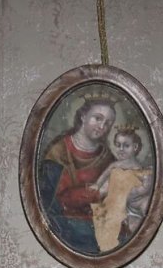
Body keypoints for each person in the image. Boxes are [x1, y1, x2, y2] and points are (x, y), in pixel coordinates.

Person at [40, 98, 116, 254]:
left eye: (108, 123)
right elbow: (50, 204)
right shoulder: (58, 152)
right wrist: (96, 193)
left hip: (102, 225)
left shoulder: (107, 157)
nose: (102, 126)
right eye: (98, 118)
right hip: (66, 227)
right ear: (83, 116)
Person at [91, 126, 153, 252]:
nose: (121, 149)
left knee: (145, 213)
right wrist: (97, 185)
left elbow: (146, 187)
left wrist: (135, 192)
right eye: (118, 145)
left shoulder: (140, 169)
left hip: (133, 202)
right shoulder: (115, 165)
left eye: (126, 146)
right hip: (114, 202)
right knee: (107, 219)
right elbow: (104, 176)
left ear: (135, 147)